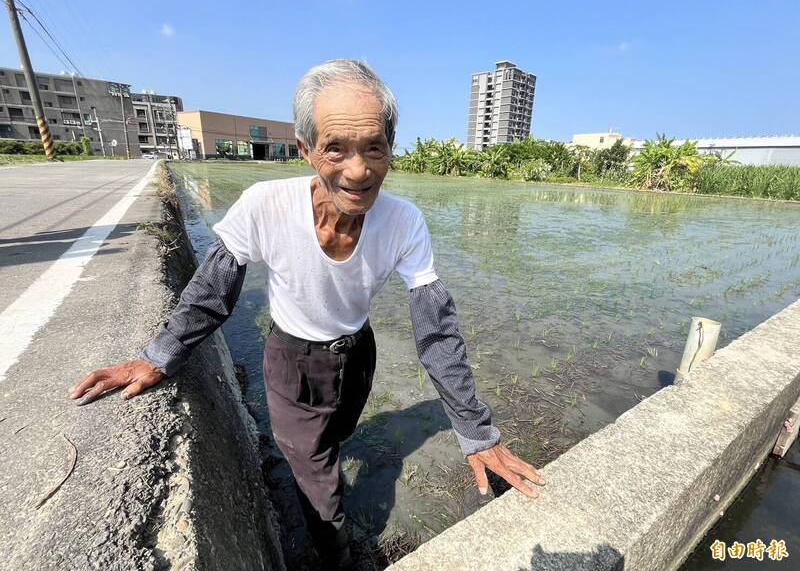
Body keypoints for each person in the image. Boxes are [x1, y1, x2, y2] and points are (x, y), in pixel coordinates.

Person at [69, 59, 545, 569]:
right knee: (319, 490)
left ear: (390, 148)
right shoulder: (264, 205)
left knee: (335, 440)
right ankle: (338, 560)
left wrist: (475, 431)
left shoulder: (405, 222)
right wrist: (157, 357)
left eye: (374, 148)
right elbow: (213, 292)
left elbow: (437, 331)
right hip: (292, 360)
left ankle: (323, 461)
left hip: (358, 354)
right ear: (306, 150)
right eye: (336, 148)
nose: (358, 171)